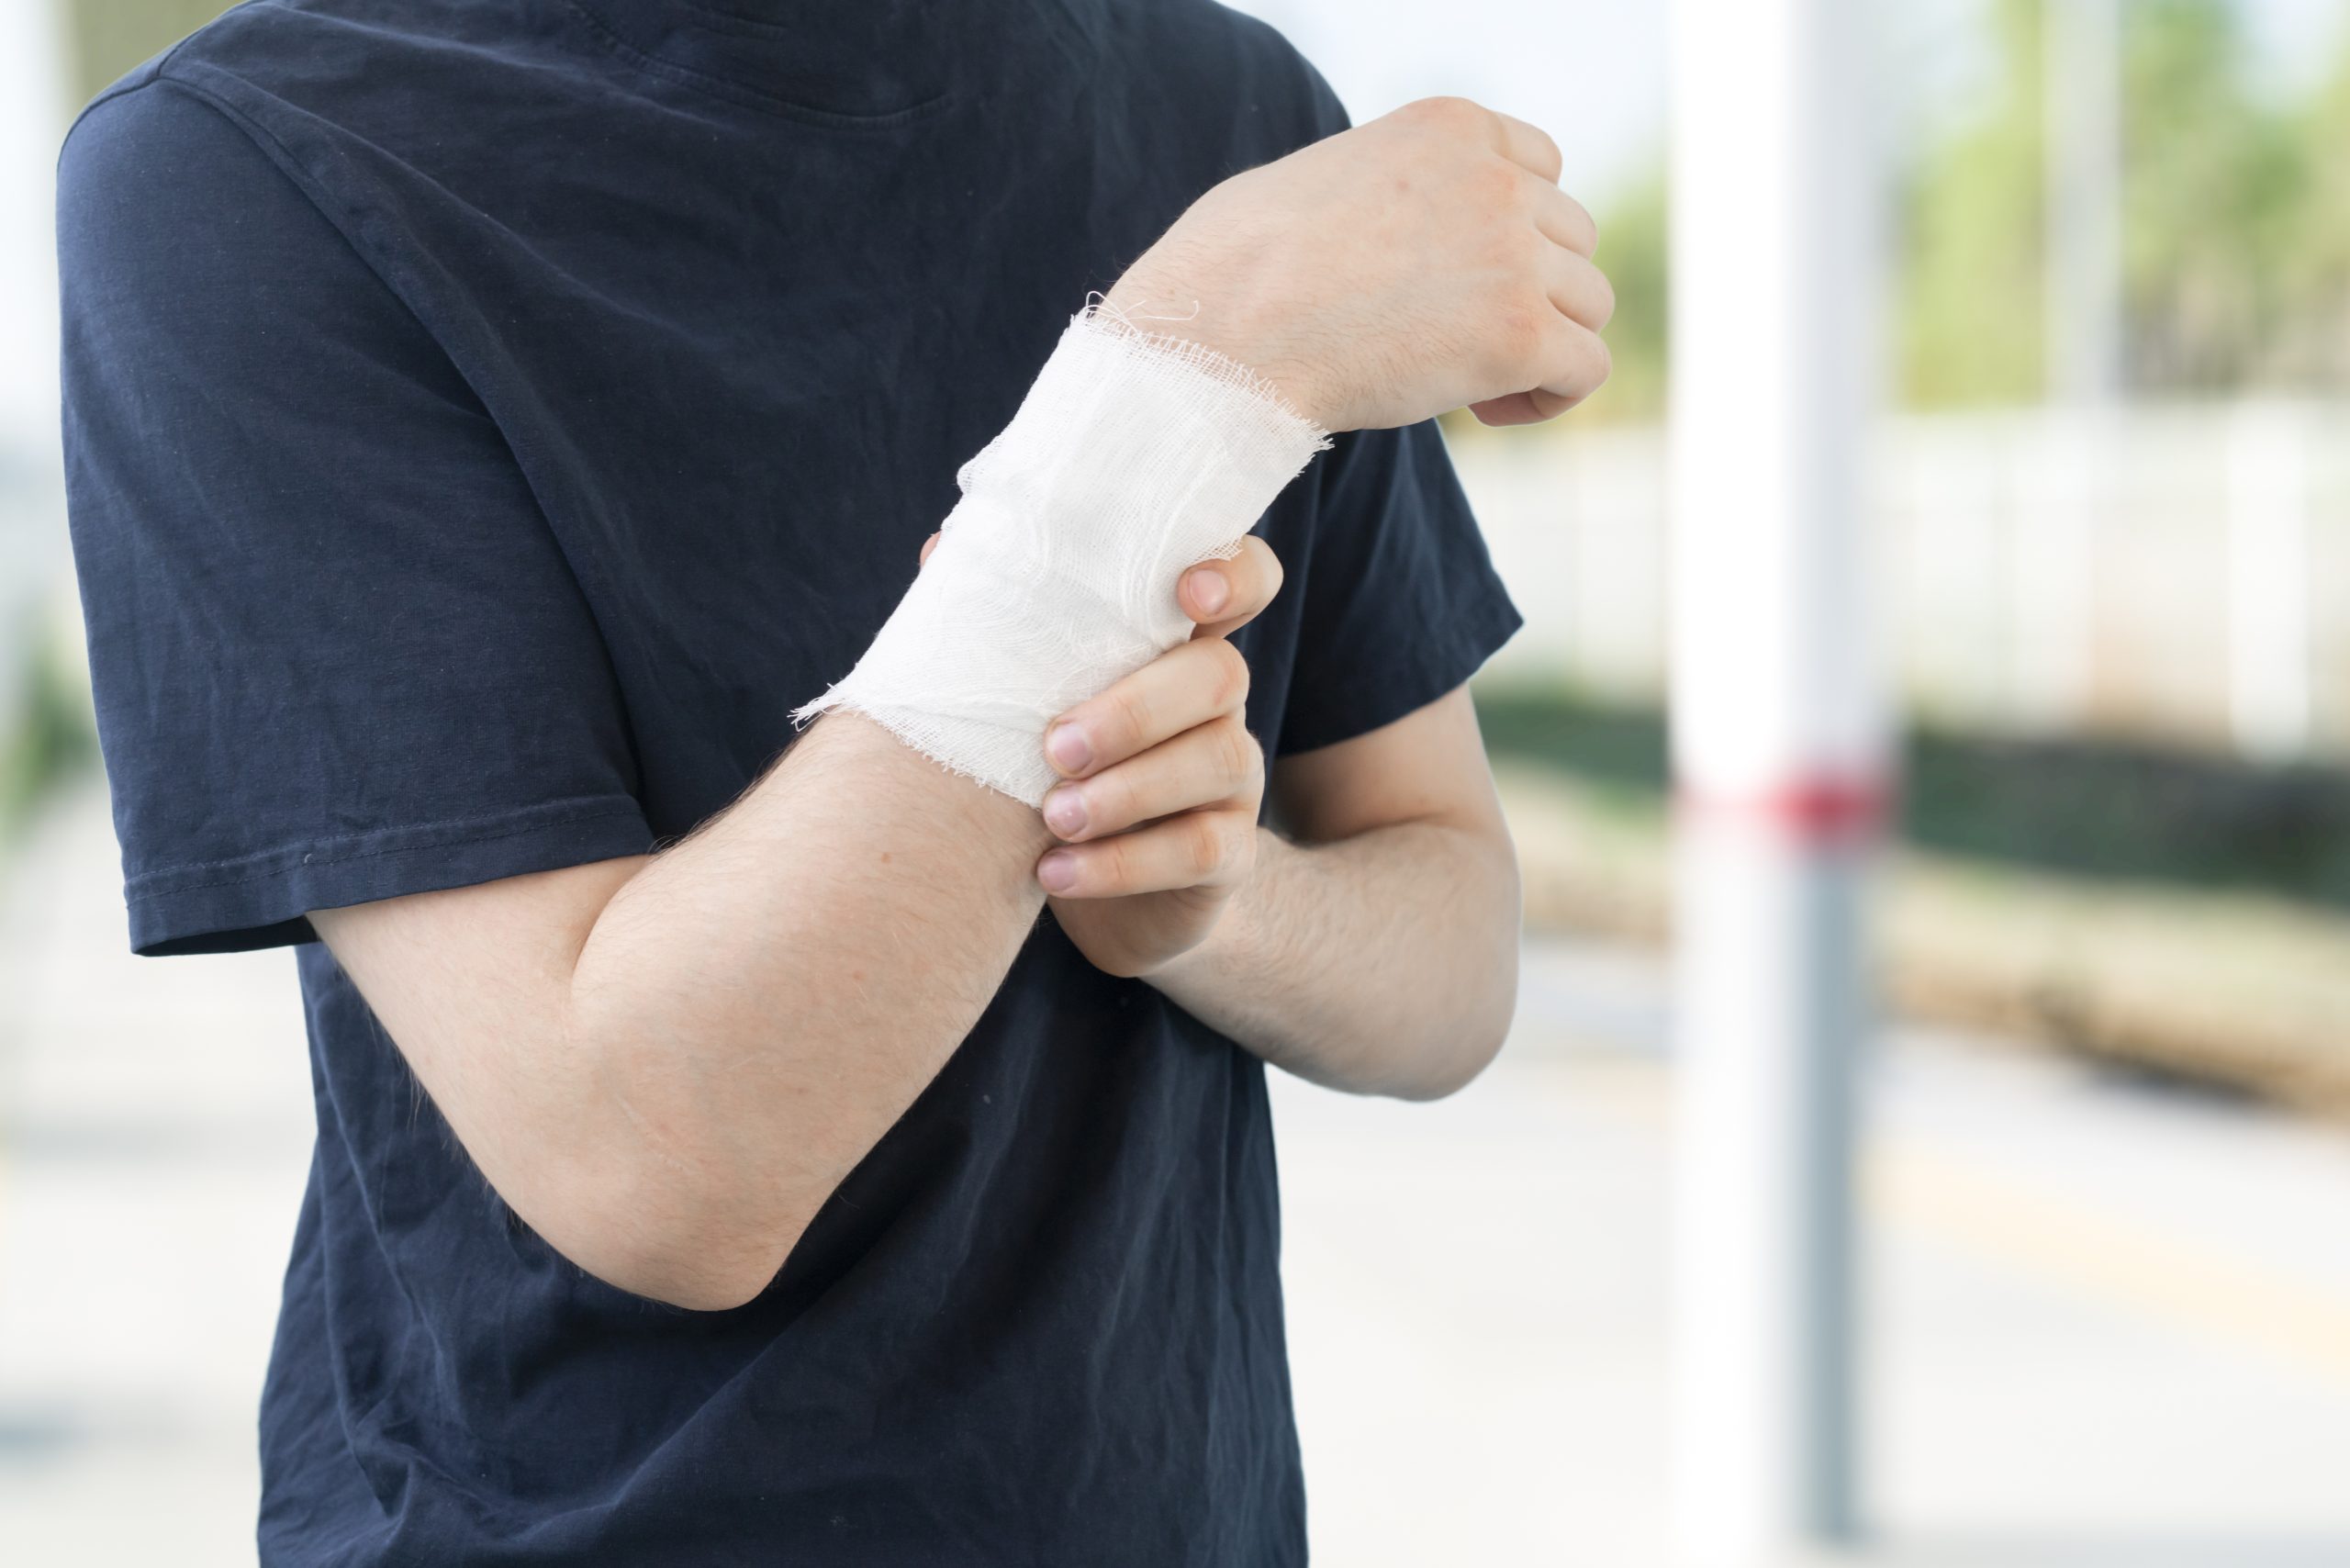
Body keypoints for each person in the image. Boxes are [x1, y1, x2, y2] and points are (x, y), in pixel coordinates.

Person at [55, 0, 1612, 1561]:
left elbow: (1455, 960)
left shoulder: (1234, 114)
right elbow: (650, 1161)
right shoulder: (251, 164)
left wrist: (1214, 908)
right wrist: (1194, 373)